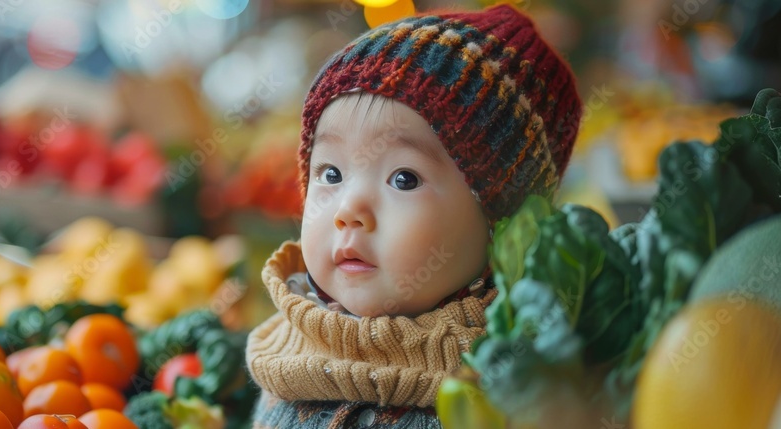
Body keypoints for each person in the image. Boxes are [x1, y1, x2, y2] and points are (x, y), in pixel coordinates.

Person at [245, 4, 583, 427]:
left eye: (403, 179)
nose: (349, 210)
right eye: (330, 173)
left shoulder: (508, 386)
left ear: (503, 227)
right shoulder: (280, 349)